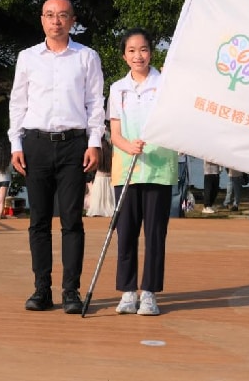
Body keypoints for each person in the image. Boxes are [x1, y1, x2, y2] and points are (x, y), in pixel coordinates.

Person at [8, 0, 105, 314]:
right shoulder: (27, 58)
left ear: (72, 20)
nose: (56, 21)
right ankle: (41, 289)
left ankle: (71, 290)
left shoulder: (87, 57)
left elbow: (95, 102)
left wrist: (94, 142)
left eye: (62, 15)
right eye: (50, 15)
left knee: (72, 220)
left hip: (74, 145)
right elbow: (17, 103)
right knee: (38, 220)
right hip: (35, 144)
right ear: (42, 20)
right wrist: (16, 144)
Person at [107, 28, 177, 316]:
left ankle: (149, 293)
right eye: (132, 51)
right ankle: (127, 292)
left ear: (152, 52)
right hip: (127, 170)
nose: (138, 56)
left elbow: (175, 125)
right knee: (126, 233)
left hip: (159, 170)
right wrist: (128, 146)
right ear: (124, 56)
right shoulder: (117, 89)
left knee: (155, 234)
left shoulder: (166, 85)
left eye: (144, 49)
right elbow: (115, 133)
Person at [86, 136, 115, 217]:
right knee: (110, 200)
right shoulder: (110, 149)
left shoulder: (99, 148)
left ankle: (98, 211)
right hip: (109, 177)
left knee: (98, 199)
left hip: (99, 177)